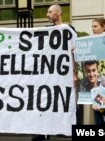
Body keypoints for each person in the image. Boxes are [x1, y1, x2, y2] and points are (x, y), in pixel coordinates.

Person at [31, 4, 77, 141]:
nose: (47, 15)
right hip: (47, 73)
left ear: (58, 13)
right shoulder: (46, 30)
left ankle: (67, 128)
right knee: (44, 100)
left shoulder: (69, 30)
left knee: (65, 100)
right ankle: (43, 132)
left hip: (63, 73)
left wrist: (74, 72)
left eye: (50, 12)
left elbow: (74, 52)